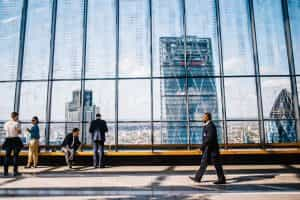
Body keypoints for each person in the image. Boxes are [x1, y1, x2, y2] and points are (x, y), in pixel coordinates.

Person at [189, 112, 226, 184]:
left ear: (207, 118)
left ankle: (222, 179)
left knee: (217, 164)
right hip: (208, 149)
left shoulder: (211, 126)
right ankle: (197, 178)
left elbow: (209, 138)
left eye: (204, 117)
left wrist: (201, 147)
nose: (202, 118)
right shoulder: (207, 126)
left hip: (212, 150)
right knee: (203, 164)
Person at [3, 112, 23, 176]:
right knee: (15, 156)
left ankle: (5, 172)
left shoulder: (6, 123)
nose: (18, 117)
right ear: (15, 116)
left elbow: (5, 131)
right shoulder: (17, 123)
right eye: (17, 116)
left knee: (7, 156)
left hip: (8, 140)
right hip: (15, 140)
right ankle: (15, 171)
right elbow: (19, 132)